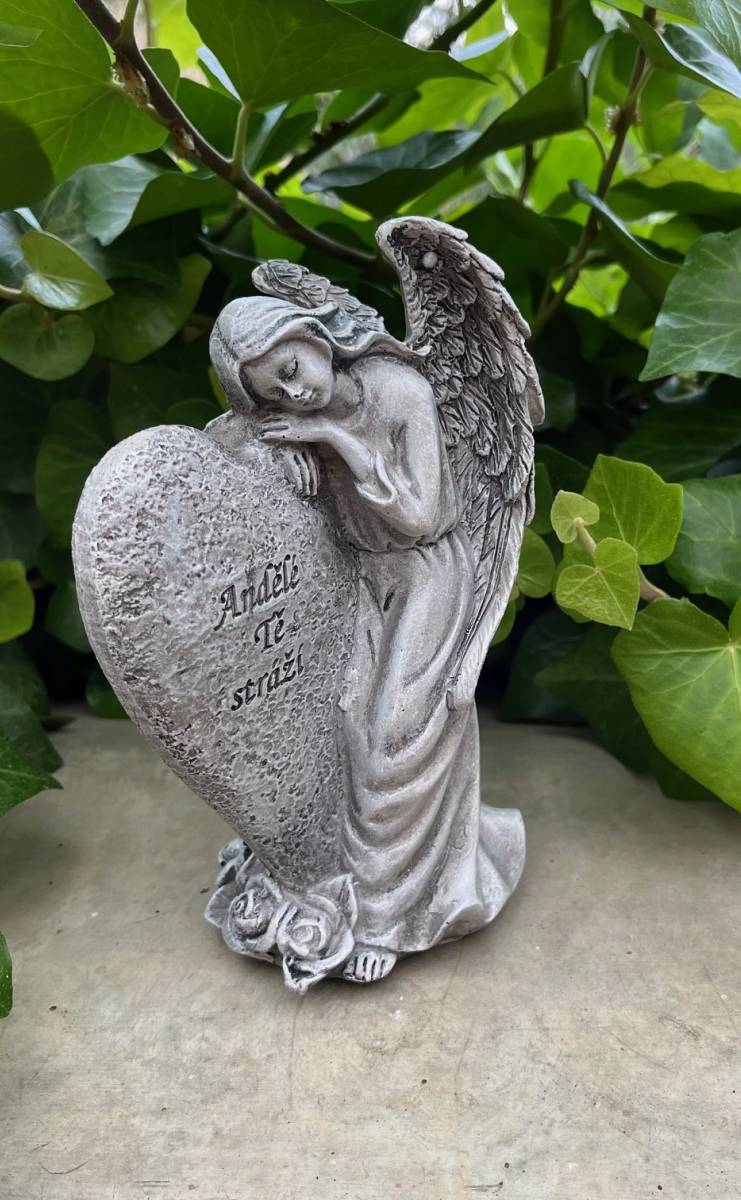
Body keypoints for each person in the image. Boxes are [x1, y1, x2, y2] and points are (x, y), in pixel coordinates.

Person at [212, 296, 524, 984]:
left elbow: (419, 516)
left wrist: (335, 439)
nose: (294, 394)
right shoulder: (294, 419)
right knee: (348, 727)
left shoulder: (400, 391)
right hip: (361, 575)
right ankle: (355, 883)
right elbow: (226, 447)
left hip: (428, 573)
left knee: (394, 739)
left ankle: (386, 916)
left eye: (292, 369)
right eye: (275, 393)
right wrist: (281, 454)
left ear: (313, 337)